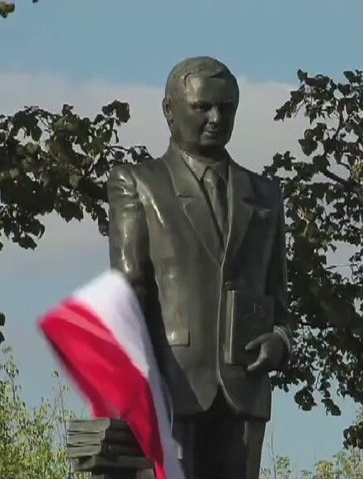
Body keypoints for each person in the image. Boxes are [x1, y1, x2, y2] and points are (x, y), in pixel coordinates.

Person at [106, 56, 293, 478]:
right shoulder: (138, 183)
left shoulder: (266, 196)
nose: (216, 117)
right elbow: (127, 289)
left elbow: (279, 300)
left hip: (244, 390)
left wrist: (280, 341)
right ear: (170, 110)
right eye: (202, 107)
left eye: (226, 108)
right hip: (171, 384)